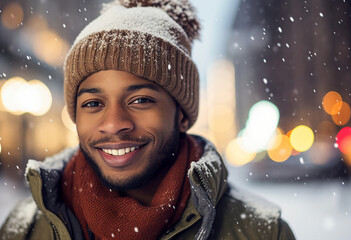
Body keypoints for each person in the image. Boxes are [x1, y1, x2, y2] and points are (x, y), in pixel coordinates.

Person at [0, 0, 295, 239]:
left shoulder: (262, 232)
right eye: (93, 103)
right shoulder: (22, 230)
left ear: (181, 114)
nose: (114, 123)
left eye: (140, 100)